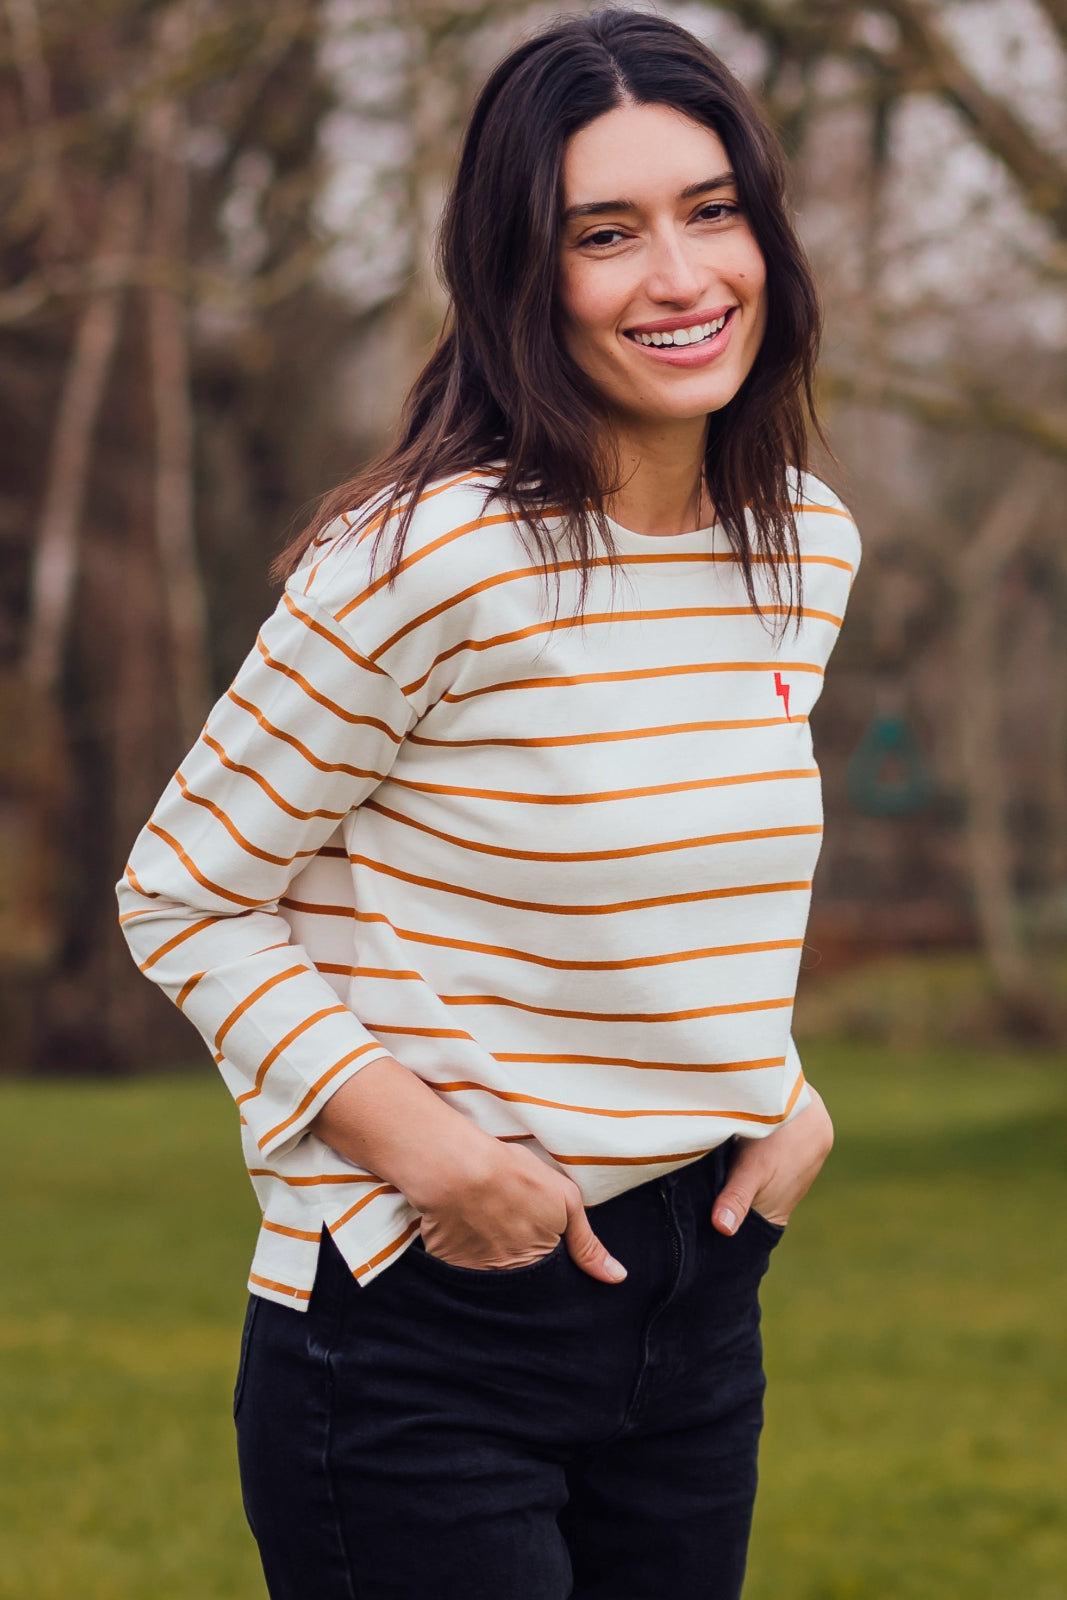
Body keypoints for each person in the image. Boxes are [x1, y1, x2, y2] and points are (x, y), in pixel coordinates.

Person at [117, 9, 859, 1598]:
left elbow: (689, 851)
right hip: (425, 1336)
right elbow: (181, 888)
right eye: (607, 233)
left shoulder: (802, 543)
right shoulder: (428, 558)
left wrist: (782, 1095)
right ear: (525, 277)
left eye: (712, 209)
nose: (680, 277)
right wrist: (441, 1161)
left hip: (699, 1314)